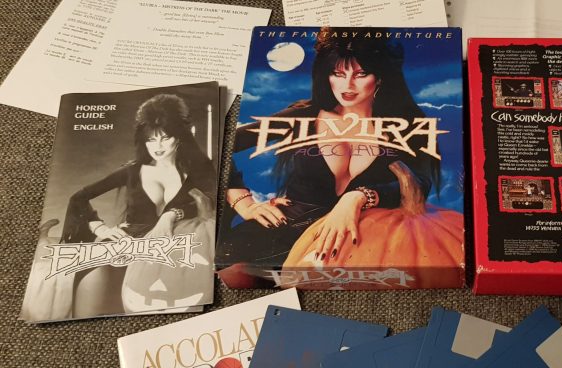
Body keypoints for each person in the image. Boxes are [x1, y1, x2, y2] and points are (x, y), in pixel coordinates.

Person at [221, 28, 438, 267]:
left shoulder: (406, 125)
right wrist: (244, 203)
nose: (348, 85)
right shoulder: (304, 116)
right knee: (231, 271)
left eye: (361, 73)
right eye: (338, 73)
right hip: (281, 230)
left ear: (380, 77)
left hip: (360, 240)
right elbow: (219, 143)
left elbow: (420, 183)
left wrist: (358, 197)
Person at [62, 94, 216, 318]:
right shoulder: (133, 171)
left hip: (172, 250)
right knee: (91, 308)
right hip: (126, 245)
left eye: (165, 138)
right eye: (151, 140)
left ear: (180, 136)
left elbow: (209, 203)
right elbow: (78, 198)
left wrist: (171, 215)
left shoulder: (200, 170)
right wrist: (100, 229)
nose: (158, 146)